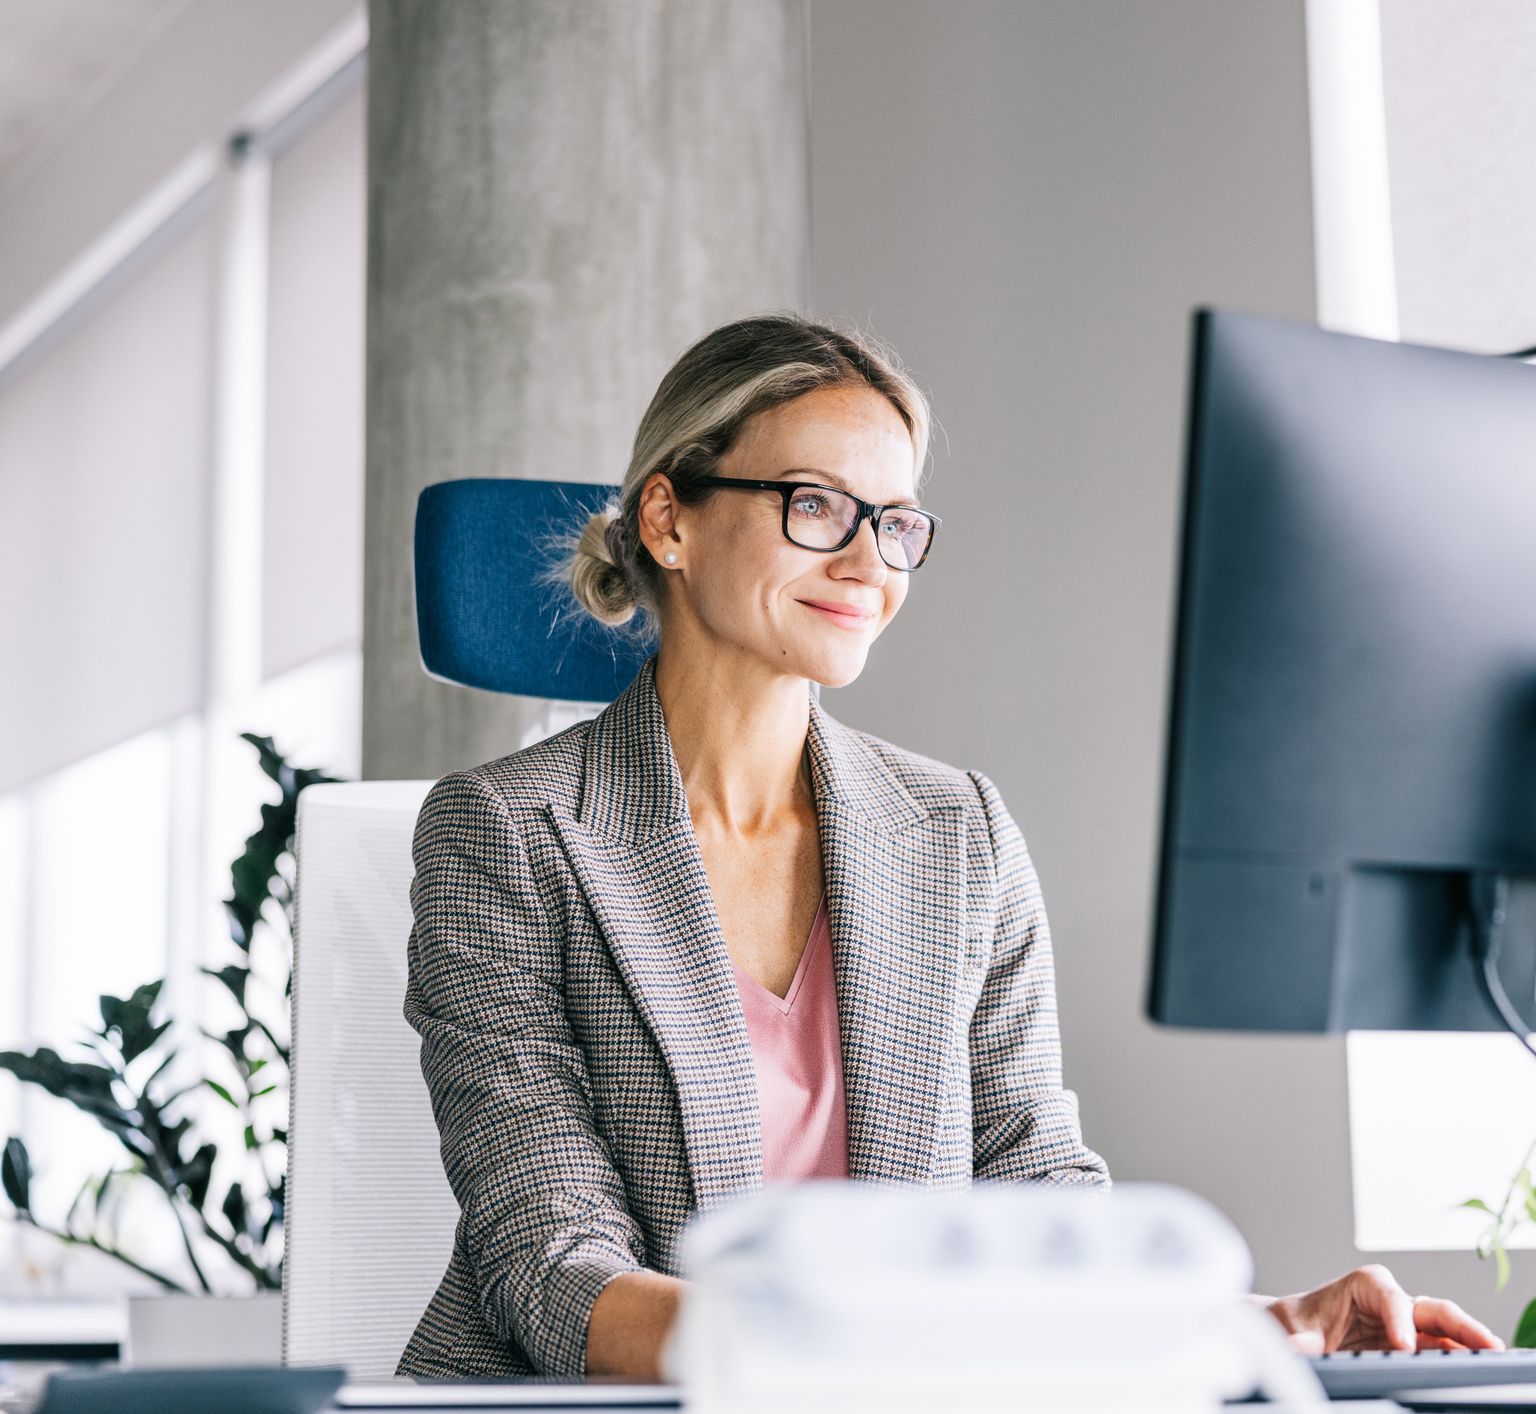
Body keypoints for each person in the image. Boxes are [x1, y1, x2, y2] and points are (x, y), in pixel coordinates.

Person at [396, 314, 1502, 1382]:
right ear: (669, 520)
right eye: (816, 504)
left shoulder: (956, 831)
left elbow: (1035, 1201)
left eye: (896, 522)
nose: (868, 560)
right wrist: (872, 1351)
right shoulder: (506, 834)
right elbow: (552, 1265)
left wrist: (1266, 1325)